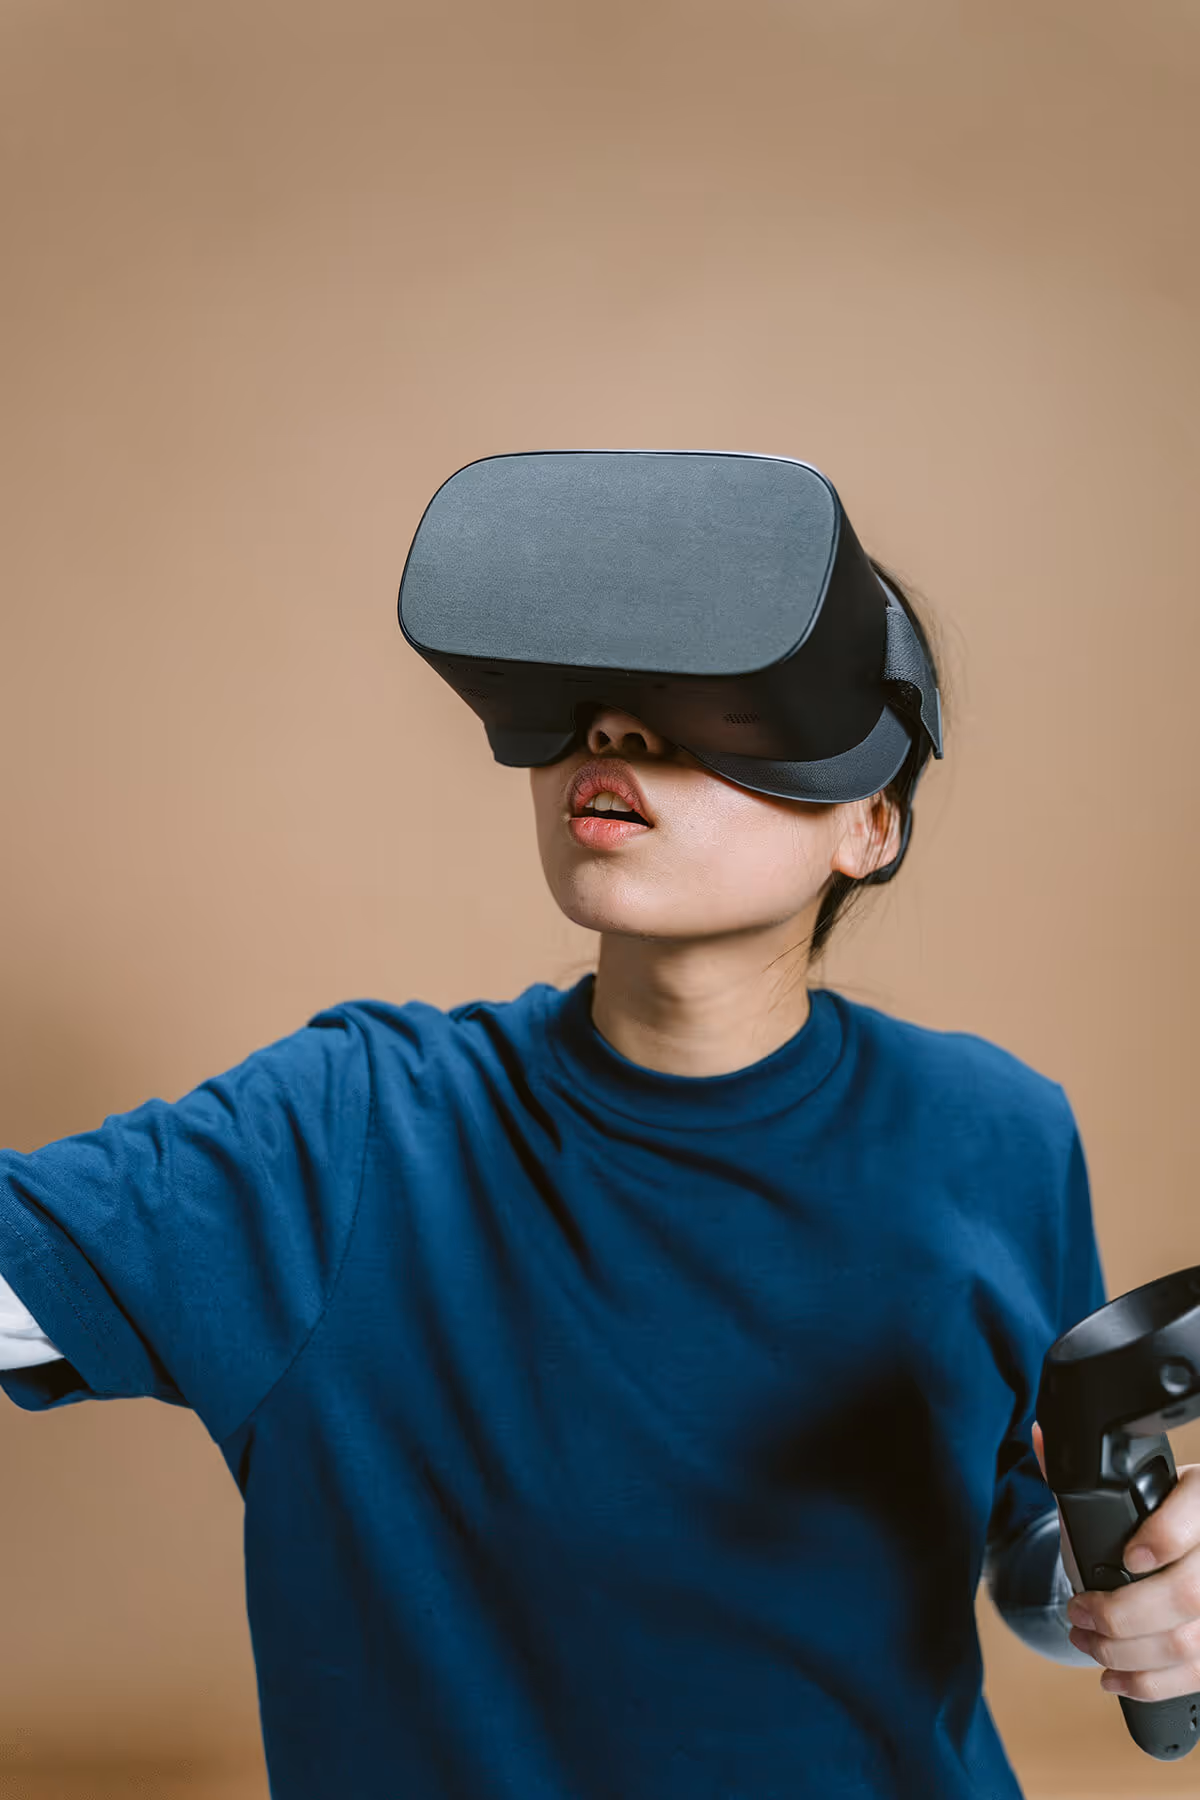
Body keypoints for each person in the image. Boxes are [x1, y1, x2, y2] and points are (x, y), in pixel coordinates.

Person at [0, 557, 1195, 1800]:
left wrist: (1125, 1588)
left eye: (723, 694)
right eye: (592, 693)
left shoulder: (998, 1133)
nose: (617, 728)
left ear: (868, 823)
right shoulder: (347, 1131)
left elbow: (1023, 1530)